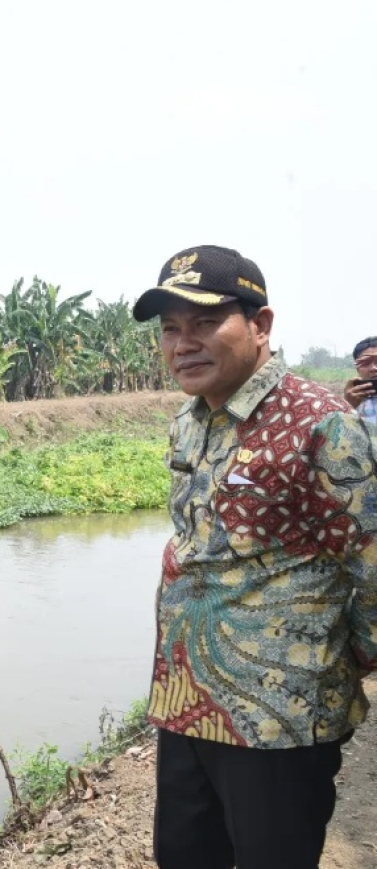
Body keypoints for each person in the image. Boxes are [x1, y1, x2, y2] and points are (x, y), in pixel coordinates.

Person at [130, 245, 377, 869]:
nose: (183, 343)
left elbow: (372, 563)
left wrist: (337, 656)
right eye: (170, 329)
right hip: (185, 699)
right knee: (183, 856)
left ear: (260, 325)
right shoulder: (189, 422)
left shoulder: (322, 425)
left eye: (206, 322)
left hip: (279, 716)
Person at [343, 335, 377, 423]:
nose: (373, 368)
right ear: (357, 369)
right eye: (366, 363)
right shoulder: (353, 400)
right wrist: (348, 406)